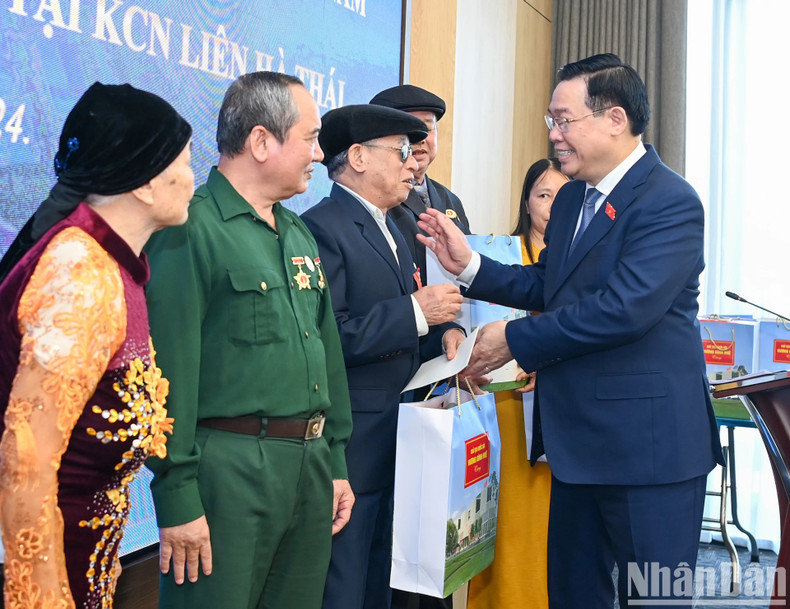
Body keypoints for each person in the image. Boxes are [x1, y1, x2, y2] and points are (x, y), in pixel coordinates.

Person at [417, 53, 723, 609]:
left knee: (655, 599)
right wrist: (471, 267)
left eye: (564, 120)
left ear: (615, 118)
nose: (554, 134)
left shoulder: (670, 201)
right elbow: (551, 284)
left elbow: (624, 309)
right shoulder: (574, 199)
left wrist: (513, 341)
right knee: (573, 595)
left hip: (649, 451)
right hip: (576, 445)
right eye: (551, 121)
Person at [143, 72, 353, 609]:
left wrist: (334, 463)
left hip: (308, 470)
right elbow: (166, 375)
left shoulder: (298, 234)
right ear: (261, 141)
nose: (319, 153)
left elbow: (327, 354)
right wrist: (177, 495)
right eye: (310, 138)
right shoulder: (189, 230)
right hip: (228, 474)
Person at [0, 82, 192, 608]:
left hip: (88, 556)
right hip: (54, 573)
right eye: (184, 163)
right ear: (146, 184)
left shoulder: (113, 265)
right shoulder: (79, 274)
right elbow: (27, 461)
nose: (192, 180)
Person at [301, 104, 465, 609]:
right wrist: (415, 312)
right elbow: (329, 337)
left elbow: (410, 324)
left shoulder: (395, 225)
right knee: (345, 586)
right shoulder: (321, 227)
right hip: (353, 446)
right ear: (357, 157)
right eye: (400, 151)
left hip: (402, 441)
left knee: (384, 587)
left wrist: (446, 336)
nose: (412, 164)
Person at [370, 85, 470, 287]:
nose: (420, 138)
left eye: (427, 128)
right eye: (410, 128)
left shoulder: (450, 200)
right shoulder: (378, 197)